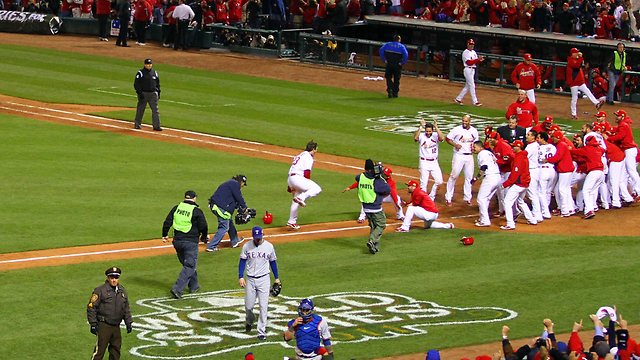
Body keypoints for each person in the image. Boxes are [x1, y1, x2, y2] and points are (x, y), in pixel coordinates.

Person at [162, 190, 209, 299]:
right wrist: (204, 237)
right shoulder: (196, 211)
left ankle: (194, 285)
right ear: (194, 198)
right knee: (190, 265)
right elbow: (203, 226)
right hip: (190, 242)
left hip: (177, 242)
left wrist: (164, 235)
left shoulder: (176, 208)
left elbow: (167, 222)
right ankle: (177, 289)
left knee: (187, 264)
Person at [238, 226, 280, 341]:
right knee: (248, 306)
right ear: (253, 236)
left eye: (259, 237)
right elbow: (242, 261)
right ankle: (249, 321)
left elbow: (273, 262)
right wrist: (241, 276)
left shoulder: (269, 246)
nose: (257, 239)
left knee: (263, 306)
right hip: (250, 279)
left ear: (263, 235)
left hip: (264, 279)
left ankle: (261, 331)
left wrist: (277, 278)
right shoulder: (247, 246)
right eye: (256, 238)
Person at [87, 266, 133, 360]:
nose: (114, 280)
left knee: (115, 351)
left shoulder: (122, 291)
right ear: (108, 278)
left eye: (116, 278)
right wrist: (93, 323)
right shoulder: (100, 290)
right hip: (104, 325)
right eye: (112, 277)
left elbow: (126, 308)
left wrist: (128, 322)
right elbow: (91, 307)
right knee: (99, 351)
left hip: (116, 326)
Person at [500, 140, 537, 230]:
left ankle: (510, 223)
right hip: (525, 183)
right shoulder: (522, 156)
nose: (512, 148)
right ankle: (532, 220)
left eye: (514, 146)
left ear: (519, 147)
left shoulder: (519, 158)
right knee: (520, 201)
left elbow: (514, 175)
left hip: (519, 184)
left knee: (507, 202)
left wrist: (504, 184)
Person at [206, 175, 249, 252]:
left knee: (229, 222)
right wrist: (245, 207)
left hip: (217, 206)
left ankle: (235, 241)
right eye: (243, 184)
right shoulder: (234, 184)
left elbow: (234, 201)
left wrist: (241, 208)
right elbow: (239, 197)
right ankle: (211, 246)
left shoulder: (231, 184)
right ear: (241, 182)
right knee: (224, 227)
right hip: (219, 207)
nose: (242, 186)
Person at [444, 114, 479, 206]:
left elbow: (476, 142)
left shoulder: (474, 131)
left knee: (469, 177)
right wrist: (455, 144)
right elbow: (447, 138)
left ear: (469, 122)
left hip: (469, 156)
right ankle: (448, 197)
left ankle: (467, 198)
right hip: (459, 156)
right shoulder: (457, 129)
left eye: (466, 121)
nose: (464, 122)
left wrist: (474, 149)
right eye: (463, 120)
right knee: (454, 176)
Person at [356, 159, 390, 254]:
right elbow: (387, 190)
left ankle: (374, 247)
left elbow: (357, 177)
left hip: (365, 208)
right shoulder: (376, 180)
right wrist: (380, 176)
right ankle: (372, 240)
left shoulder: (361, 177)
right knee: (381, 224)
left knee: (373, 226)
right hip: (375, 207)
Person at [287, 140, 322, 230]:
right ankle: (301, 198)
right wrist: (307, 183)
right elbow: (307, 173)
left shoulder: (300, 154)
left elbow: (292, 169)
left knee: (295, 201)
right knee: (317, 188)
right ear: (313, 149)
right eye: (316, 149)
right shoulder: (308, 157)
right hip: (298, 179)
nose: (317, 151)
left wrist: (290, 185)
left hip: (291, 178)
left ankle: (292, 221)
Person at [606, 109, 640, 200]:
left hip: (629, 150)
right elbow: (618, 131)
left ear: (622, 117)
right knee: (626, 173)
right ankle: (630, 193)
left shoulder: (623, 125)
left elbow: (620, 136)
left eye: (618, 115)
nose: (616, 117)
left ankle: (638, 190)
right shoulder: (623, 124)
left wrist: (609, 138)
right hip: (628, 150)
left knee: (631, 171)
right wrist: (612, 131)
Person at [570, 136, 605, 219]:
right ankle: (592, 207)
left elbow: (576, 152)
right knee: (592, 191)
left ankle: (589, 211)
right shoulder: (599, 148)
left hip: (594, 172)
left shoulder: (587, 148)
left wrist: (569, 149)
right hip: (601, 173)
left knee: (586, 190)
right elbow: (604, 150)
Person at [566, 47, 604, 120]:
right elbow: (576, 66)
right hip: (574, 83)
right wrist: (580, 57)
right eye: (576, 52)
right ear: (572, 53)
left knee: (588, 91)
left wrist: (580, 58)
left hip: (580, 82)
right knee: (574, 98)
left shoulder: (577, 59)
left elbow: (580, 64)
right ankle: (573, 114)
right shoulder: (570, 60)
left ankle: (596, 103)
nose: (577, 53)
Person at [544, 130, 576, 217]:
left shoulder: (561, 145)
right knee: (565, 189)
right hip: (567, 169)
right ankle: (570, 208)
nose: (552, 139)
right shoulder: (562, 144)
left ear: (558, 137)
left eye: (553, 137)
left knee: (562, 190)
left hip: (565, 170)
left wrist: (547, 160)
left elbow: (557, 157)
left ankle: (565, 211)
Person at [472, 141, 501, 227]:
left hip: (490, 177)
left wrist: (476, 178)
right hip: (497, 177)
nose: (473, 148)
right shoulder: (489, 153)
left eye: (475, 147)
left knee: (481, 199)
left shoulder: (482, 154)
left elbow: (484, 167)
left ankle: (485, 221)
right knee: (486, 199)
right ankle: (482, 218)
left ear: (480, 147)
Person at [414, 118, 444, 200]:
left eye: (430, 131)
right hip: (424, 162)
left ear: (432, 130)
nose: (428, 133)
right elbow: (415, 138)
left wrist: (436, 127)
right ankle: (423, 200)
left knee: (439, 181)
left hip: (434, 162)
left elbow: (442, 138)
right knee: (424, 183)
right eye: (427, 131)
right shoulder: (421, 136)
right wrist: (420, 127)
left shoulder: (435, 135)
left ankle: (431, 196)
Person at [454, 38, 485, 107]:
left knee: (467, 86)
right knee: (472, 85)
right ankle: (475, 102)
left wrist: (480, 60)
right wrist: (477, 59)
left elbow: (475, 62)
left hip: (473, 70)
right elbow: (469, 62)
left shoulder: (474, 52)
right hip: (467, 69)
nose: (472, 46)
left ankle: (458, 99)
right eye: (470, 44)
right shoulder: (465, 52)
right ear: (467, 44)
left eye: (473, 44)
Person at [133, 58, 162, 131]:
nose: (149, 65)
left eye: (150, 64)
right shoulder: (140, 73)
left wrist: (158, 92)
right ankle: (137, 124)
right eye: (147, 64)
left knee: (155, 110)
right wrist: (139, 93)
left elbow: (157, 84)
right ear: (145, 64)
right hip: (144, 93)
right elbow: (136, 84)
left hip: (153, 94)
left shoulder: (155, 73)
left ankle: (156, 126)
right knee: (140, 109)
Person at [378, 34, 408, 98]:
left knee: (388, 77)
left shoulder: (388, 44)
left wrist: (384, 59)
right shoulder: (401, 46)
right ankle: (395, 93)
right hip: (397, 64)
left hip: (389, 63)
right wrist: (402, 63)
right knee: (397, 79)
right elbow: (406, 55)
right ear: (399, 40)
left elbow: (381, 50)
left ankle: (390, 89)